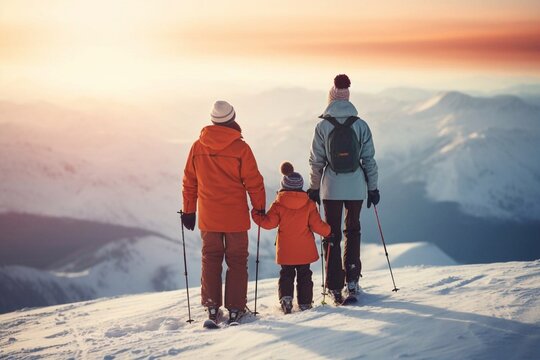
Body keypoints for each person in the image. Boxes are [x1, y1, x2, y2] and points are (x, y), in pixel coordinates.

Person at [181, 100, 266, 325]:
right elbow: (254, 182)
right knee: (237, 261)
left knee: (211, 259)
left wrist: (189, 210)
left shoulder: (197, 147)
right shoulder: (241, 148)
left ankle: (211, 306)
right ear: (233, 118)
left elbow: (189, 182)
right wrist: (259, 208)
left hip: (209, 217)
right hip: (236, 217)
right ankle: (236, 309)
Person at [307, 74, 380, 305]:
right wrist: (373, 188)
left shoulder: (322, 126)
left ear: (330, 100)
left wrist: (313, 188)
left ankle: (334, 286)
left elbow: (316, 161)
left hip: (331, 189)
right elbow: (369, 159)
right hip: (356, 187)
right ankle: (352, 280)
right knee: (353, 232)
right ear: (348, 98)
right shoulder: (361, 125)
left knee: (332, 235)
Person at [252, 162, 331, 314]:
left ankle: (286, 299)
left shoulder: (278, 204)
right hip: (304, 250)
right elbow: (317, 225)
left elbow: (269, 223)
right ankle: (305, 302)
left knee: (286, 274)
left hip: (286, 250)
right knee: (305, 275)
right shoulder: (309, 204)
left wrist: (256, 215)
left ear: (284, 186)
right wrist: (329, 232)